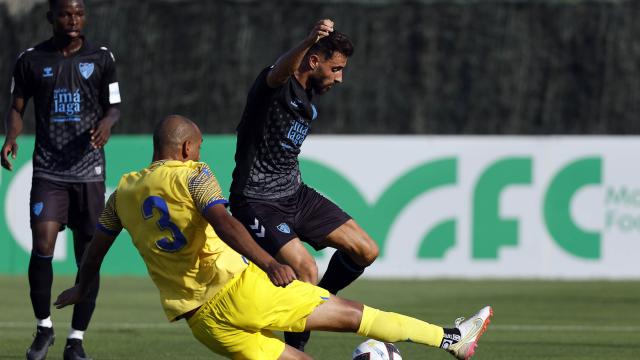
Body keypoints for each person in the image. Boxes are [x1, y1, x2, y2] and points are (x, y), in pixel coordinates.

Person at [54, 115, 492, 360]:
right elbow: (225, 223)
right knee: (355, 315)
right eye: (201, 146)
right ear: (187, 148)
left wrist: (82, 286)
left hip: (202, 325)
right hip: (240, 292)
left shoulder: (123, 192)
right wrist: (269, 262)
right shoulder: (193, 175)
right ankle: (452, 339)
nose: (201, 153)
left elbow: (96, 248)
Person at [229, 18, 377, 351]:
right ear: (313, 61)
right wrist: (309, 38)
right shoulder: (275, 87)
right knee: (305, 270)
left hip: (296, 194)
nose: (340, 78)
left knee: (366, 250)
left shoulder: (309, 93)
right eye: (336, 68)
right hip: (256, 200)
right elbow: (278, 72)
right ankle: (298, 353)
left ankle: (318, 300)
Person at [0, 0, 121, 359]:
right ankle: (43, 330)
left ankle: (76, 340)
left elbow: (114, 105)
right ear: (51, 17)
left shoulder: (102, 58)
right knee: (42, 245)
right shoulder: (31, 60)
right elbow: (17, 107)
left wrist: (107, 123)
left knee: (88, 258)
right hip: (49, 170)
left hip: (89, 172)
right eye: (66, 13)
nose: (73, 20)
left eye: (79, 13)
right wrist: (11, 137)